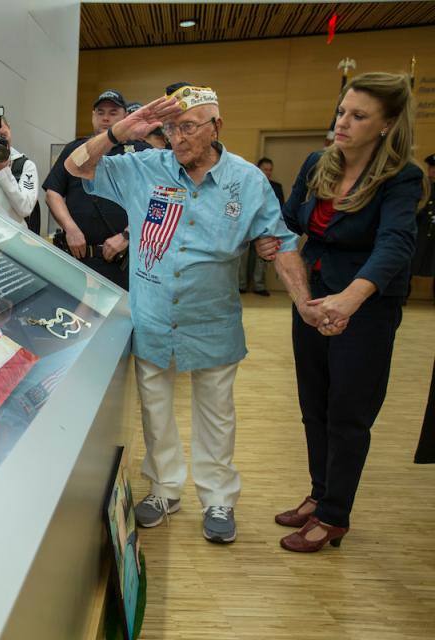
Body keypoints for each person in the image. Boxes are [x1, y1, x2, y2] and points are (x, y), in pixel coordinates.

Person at [65, 84, 315, 544]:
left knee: (215, 413)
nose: (178, 138)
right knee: (156, 409)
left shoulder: (247, 180)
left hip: (211, 318)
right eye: (171, 128)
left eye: (188, 127)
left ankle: (219, 498)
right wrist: (120, 132)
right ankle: (164, 489)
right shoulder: (145, 168)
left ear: (216, 126)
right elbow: (77, 166)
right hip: (153, 315)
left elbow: (278, 241)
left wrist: (304, 303)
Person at [274, 72, 428, 552]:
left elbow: (396, 244)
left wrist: (350, 299)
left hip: (366, 306)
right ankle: (320, 494)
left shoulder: (403, 176)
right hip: (315, 296)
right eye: (342, 111)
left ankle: (335, 515)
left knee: (348, 412)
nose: (343, 122)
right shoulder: (318, 161)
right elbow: (291, 218)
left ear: (386, 125)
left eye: (358, 116)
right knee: (313, 406)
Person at [43, 90, 150, 289]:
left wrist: (127, 235)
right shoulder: (76, 149)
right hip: (78, 259)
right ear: (93, 116)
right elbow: (53, 193)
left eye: (113, 112)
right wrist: (71, 228)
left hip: (122, 262)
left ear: (125, 117)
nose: (106, 118)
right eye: (100, 112)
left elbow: (156, 202)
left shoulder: (140, 152)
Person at [238, 157, 284, 296]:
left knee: (262, 259)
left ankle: (259, 286)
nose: (268, 172)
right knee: (243, 258)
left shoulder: (276, 187)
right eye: (265, 169)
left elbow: (280, 207)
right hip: (246, 226)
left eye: (270, 170)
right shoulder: (246, 184)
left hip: (266, 228)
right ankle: (241, 285)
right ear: (258, 169)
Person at [410, 153, 435, 300]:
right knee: (409, 262)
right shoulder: (422, 185)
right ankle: (403, 296)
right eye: (431, 167)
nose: (433, 170)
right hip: (420, 230)